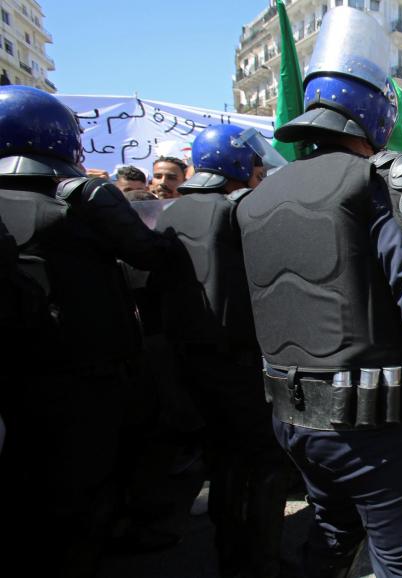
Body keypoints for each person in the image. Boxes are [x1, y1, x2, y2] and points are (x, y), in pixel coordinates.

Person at [234, 9, 402, 576]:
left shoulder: (255, 199)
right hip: (379, 436)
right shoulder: (380, 178)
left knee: (331, 539)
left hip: (294, 425)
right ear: (377, 110)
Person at [0, 85, 174, 577]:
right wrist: (103, 202)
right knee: (76, 503)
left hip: (29, 384)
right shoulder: (73, 212)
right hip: (80, 385)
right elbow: (153, 254)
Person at [153, 124, 294, 578]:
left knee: (223, 464)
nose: (258, 173)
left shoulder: (175, 210)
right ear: (235, 163)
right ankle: (261, 560)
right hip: (239, 364)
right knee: (263, 464)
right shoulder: (234, 211)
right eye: (253, 165)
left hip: (193, 363)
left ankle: (231, 553)